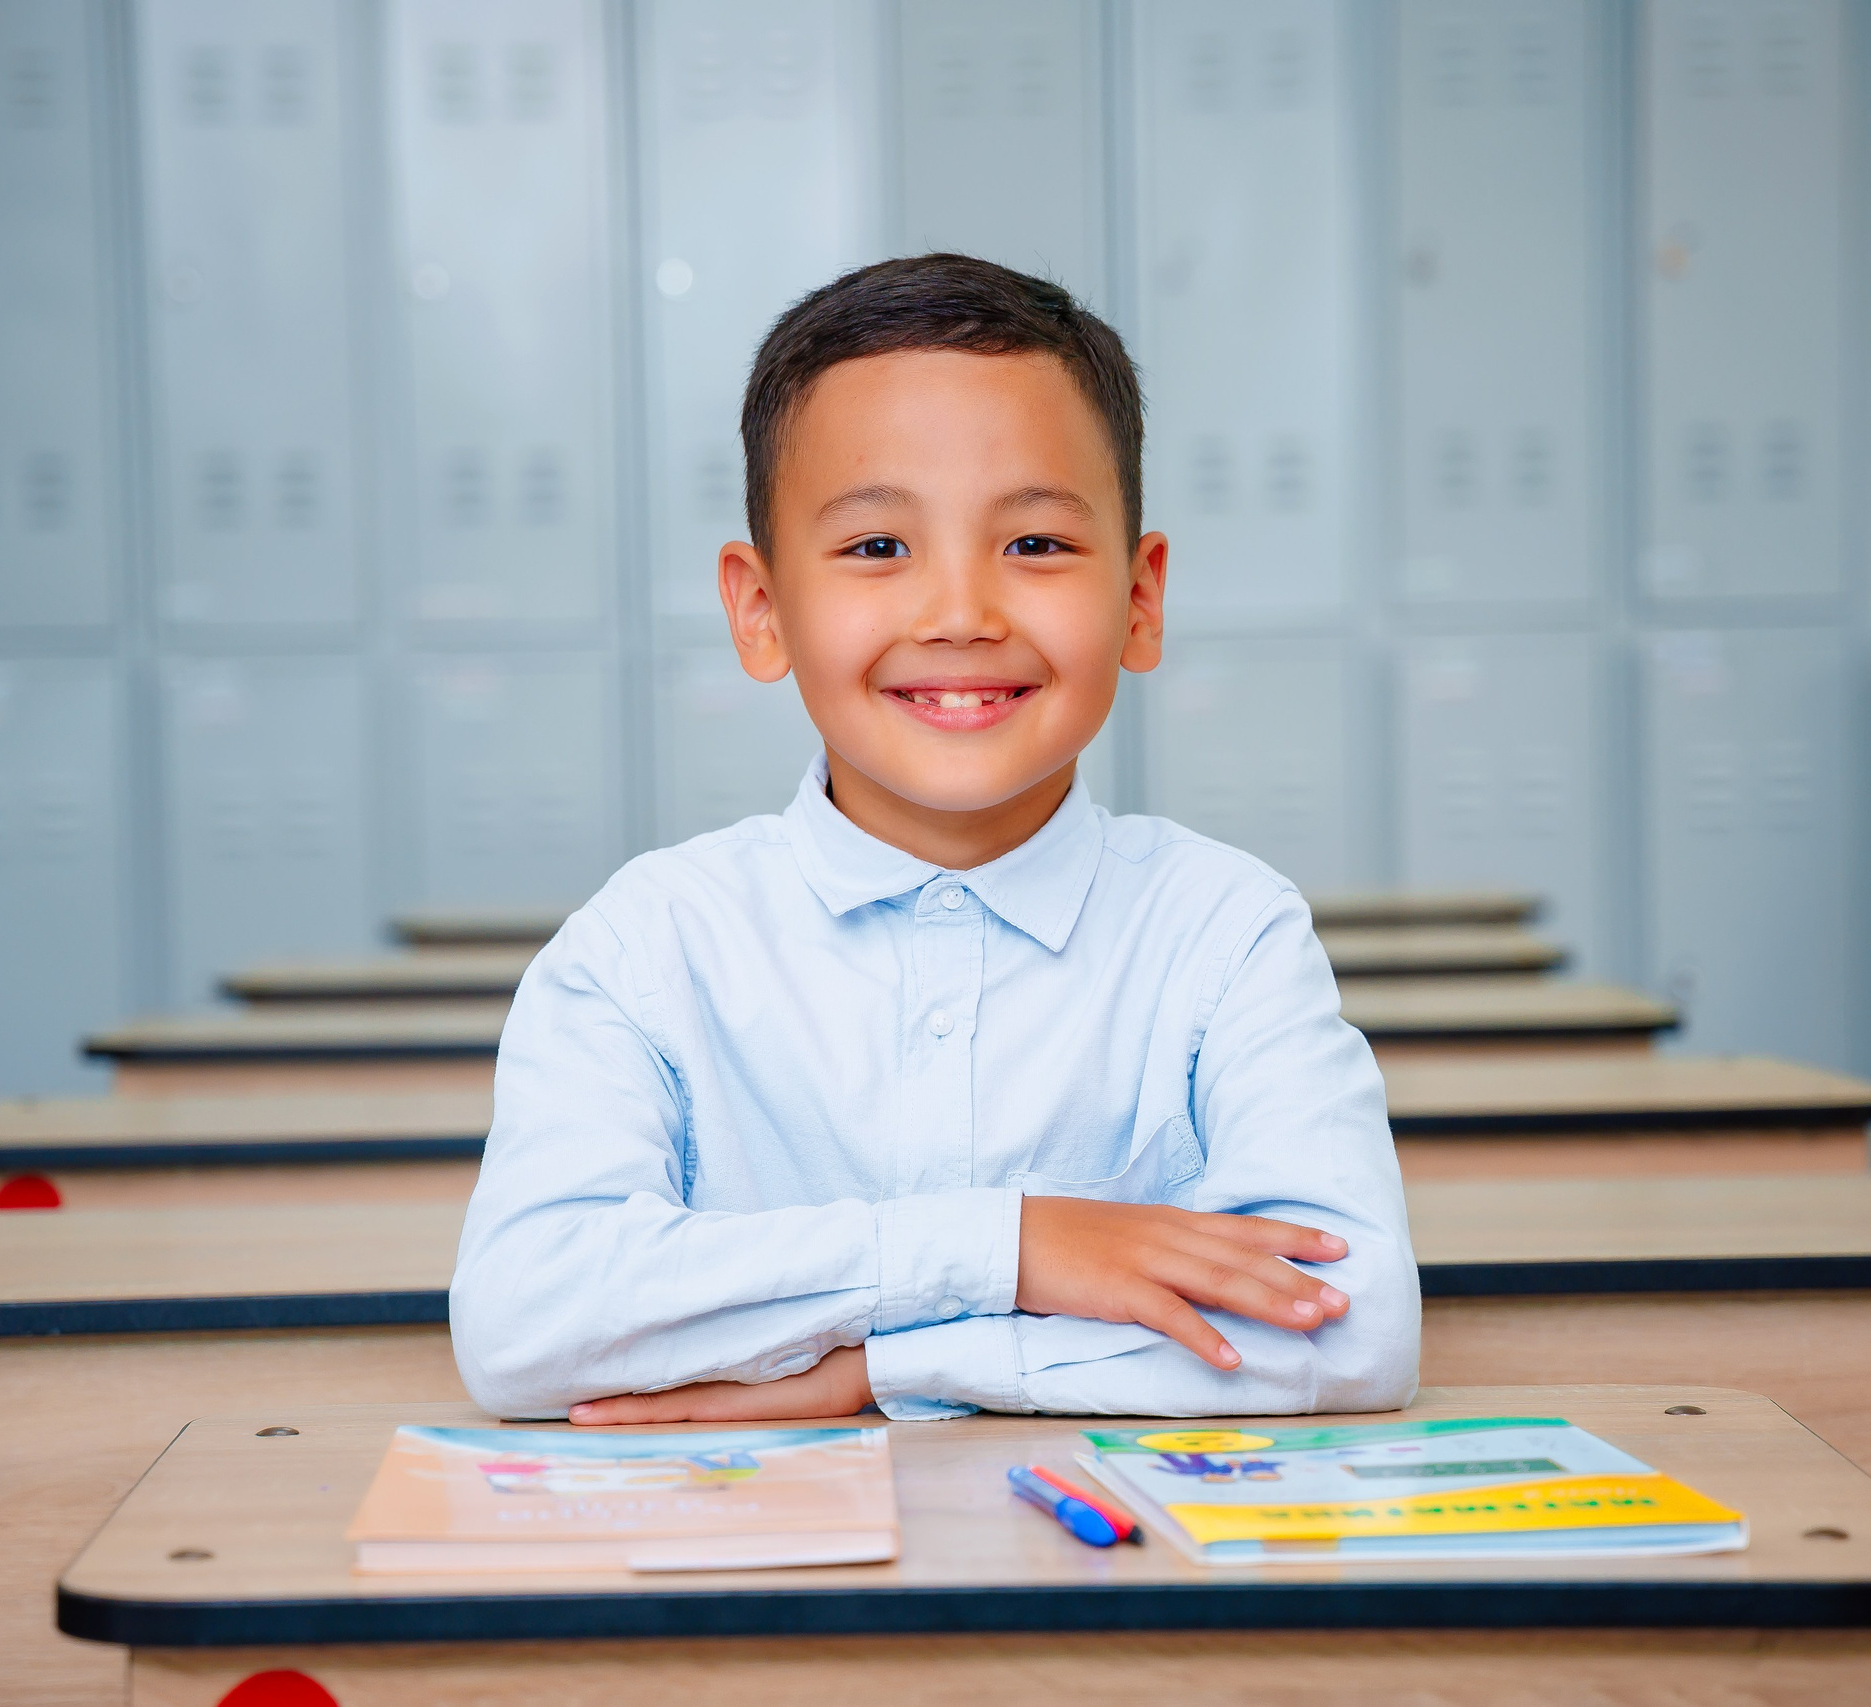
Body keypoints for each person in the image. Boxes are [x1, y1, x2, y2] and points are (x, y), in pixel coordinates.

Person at [451, 253, 1418, 1423]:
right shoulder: (649, 949)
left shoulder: (1225, 935)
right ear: (760, 611)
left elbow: (1348, 1331)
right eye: (875, 549)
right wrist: (1015, 1252)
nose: (960, 614)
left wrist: (883, 1369)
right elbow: (525, 1322)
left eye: (1036, 546)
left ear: (1141, 597)